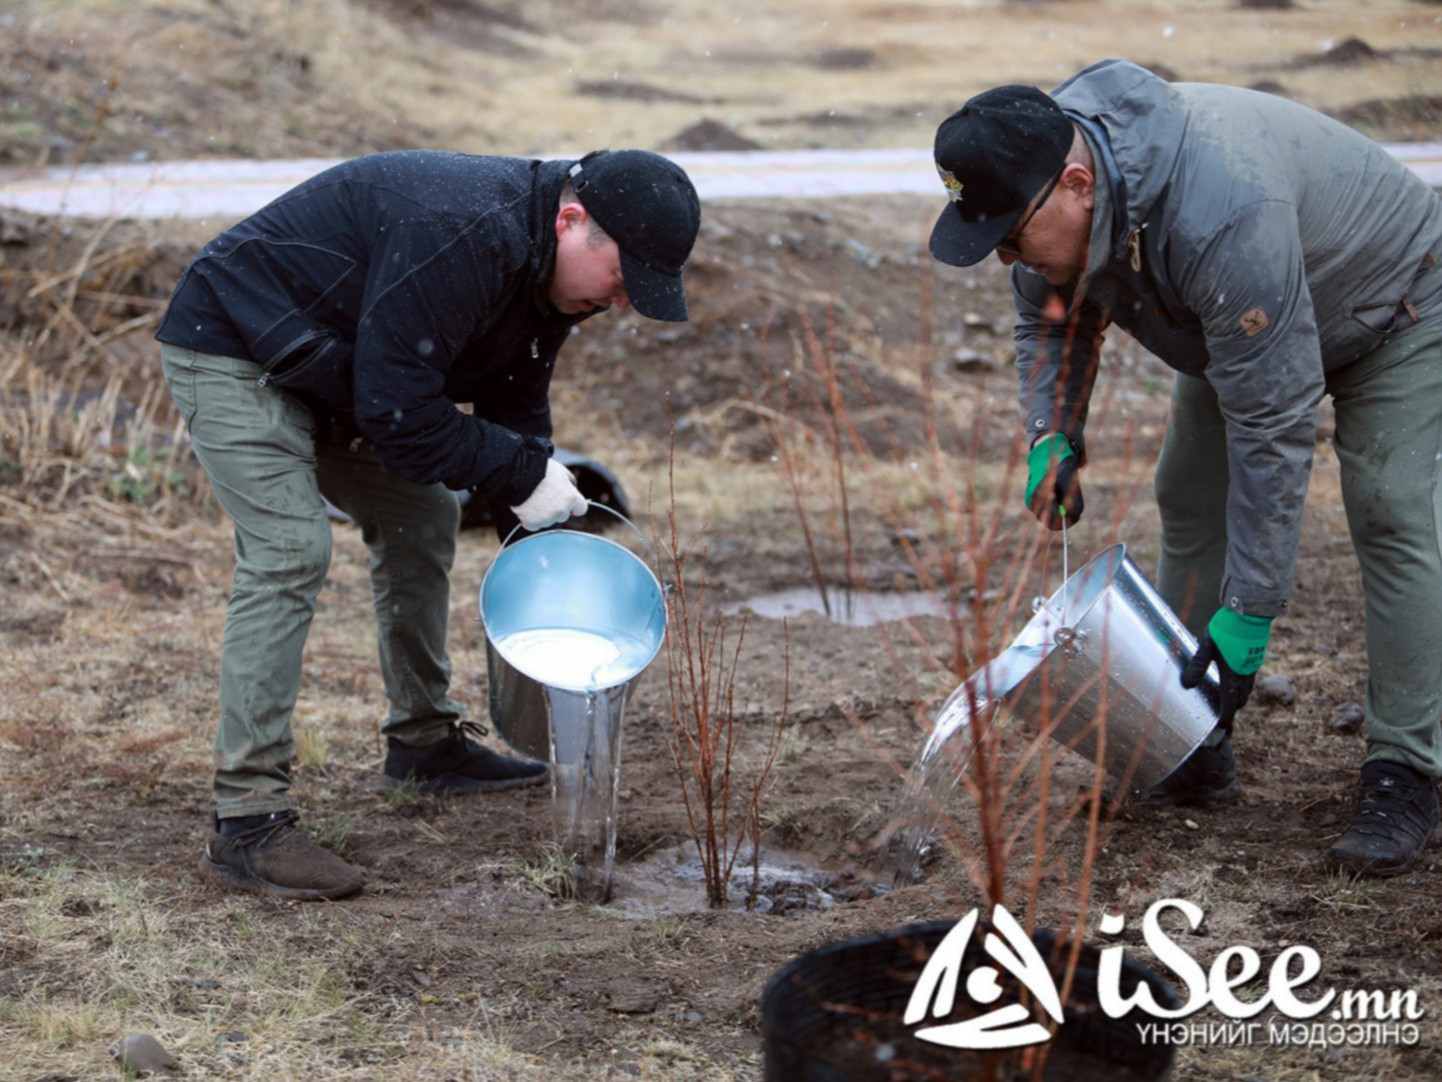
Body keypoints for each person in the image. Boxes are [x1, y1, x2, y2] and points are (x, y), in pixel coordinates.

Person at [928, 60, 1442, 877]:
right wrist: (1050, 438)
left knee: (1390, 509)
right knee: (1187, 495)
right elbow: (1053, 325)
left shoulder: (1220, 212)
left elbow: (1273, 424)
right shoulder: (1047, 190)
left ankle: (1406, 769)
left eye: (1011, 237)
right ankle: (1190, 737)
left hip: (1394, 305)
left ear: (1076, 185)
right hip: (1241, 328)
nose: (1005, 260)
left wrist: (1248, 615)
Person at [156, 148, 701, 900]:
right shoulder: (462, 231)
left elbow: (514, 397)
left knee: (422, 514)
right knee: (290, 550)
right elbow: (398, 413)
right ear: (571, 221)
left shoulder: (550, 277)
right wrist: (512, 470)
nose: (622, 302)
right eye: (621, 279)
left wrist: (534, 507)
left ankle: (425, 745)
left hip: (340, 364)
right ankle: (248, 822)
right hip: (239, 345)